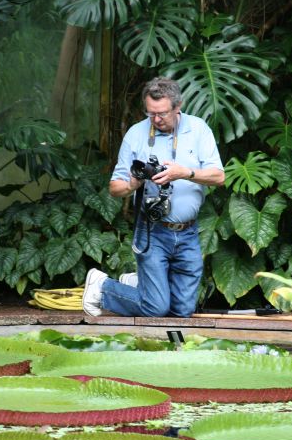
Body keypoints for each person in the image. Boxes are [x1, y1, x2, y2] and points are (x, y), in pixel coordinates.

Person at [83, 77, 224, 318]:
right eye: (151, 114)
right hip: (152, 231)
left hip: (189, 232)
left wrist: (185, 173)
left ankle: (139, 286)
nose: (156, 120)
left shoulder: (198, 129)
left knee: (183, 311)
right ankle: (102, 286)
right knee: (157, 309)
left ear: (178, 107)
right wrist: (134, 183)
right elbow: (115, 188)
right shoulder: (136, 134)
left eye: (162, 113)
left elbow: (219, 177)